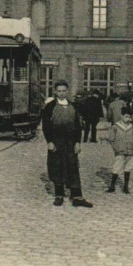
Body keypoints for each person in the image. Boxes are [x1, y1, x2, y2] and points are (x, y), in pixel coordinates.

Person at [41, 80, 93, 208]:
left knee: (73, 167)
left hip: (70, 142)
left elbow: (77, 126)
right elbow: (46, 126)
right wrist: (50, 142)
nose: (61, 93)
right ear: (55, 92)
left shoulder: (73, 106)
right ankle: (59, 195)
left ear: (67, 91)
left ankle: (77, 197)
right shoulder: (50, 107)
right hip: (56, 141)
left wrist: (77, 142)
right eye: (59, 91)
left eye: (64, 91)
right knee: (57, 166)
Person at [106, 106, 133, 194]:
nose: (128, 119)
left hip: (130, 151)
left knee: (128, 168)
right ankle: (112, 185)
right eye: (126, 117)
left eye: (129, 117)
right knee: (117, 167)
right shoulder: (116, 126)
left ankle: (125, 186)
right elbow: (111, 139)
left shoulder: (132, 127)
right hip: (120, 150)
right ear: (121, 116)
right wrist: (115, 148)